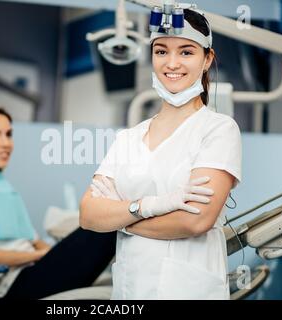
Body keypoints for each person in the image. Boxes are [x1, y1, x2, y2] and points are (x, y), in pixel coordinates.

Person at [80, 9, 242, 300]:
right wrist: (151, 205)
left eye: (186, 52)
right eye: (161, 51)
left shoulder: (218, 129)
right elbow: (89, 215)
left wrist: (120, 218)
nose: (172, 63)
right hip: (131, 289)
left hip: (187, 289)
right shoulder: (128, 138)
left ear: (207, 59)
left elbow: (195, 221)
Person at [0, 105, 116, 300]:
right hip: (16, 286)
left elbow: (33, 241)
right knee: (107, 223)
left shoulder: (5, 188)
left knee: (108, 223)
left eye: (8, 134)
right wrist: (38, 256)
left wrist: (53, 254)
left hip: (34, 270)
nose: (5, 143)